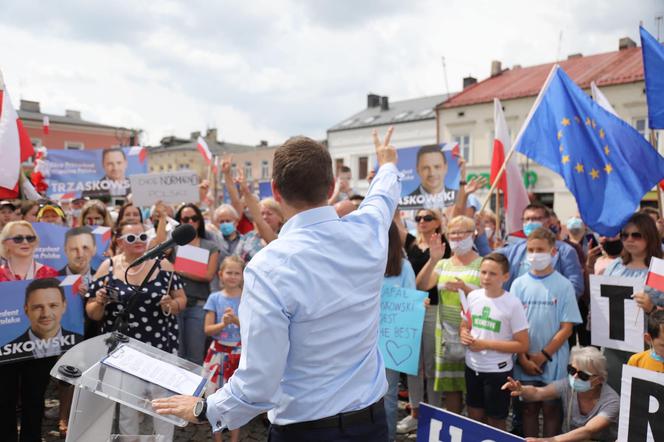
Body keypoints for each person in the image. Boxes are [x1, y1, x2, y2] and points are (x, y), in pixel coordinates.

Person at [152, 128, 399, 441]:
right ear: (332, 184)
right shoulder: (367, 233)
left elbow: (260, 380)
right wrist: (387, 163)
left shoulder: (268, 267)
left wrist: (205, 409)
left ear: (275, 190)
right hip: (371, 425)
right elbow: (382, 198)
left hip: (307, 431)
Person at [86, 221, 186, 441]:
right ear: (119, 241)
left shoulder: (163, 265)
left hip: (160, 347)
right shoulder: (108, 267)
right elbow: (92, 313)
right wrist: (100, 302)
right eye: (131, 238)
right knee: (127, 407)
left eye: (142, 236)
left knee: (164, 406)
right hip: (123, 351)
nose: (139, 241)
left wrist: (171, 304)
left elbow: (181, 300)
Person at [511, 227, 582, 438]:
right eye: (530, 249)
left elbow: (567, 329)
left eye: (540, 249)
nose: (534, 254)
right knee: (528, 408)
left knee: (552, 409)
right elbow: (513, 326)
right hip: (523, 360)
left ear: (553, 252)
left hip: (554, 361)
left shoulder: (564, 285)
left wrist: (542, 356)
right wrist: (523, 358)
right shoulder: (518, 284)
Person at [0, 278, 82, 442]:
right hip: (6, 358)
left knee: (35, 399)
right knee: (4, 400)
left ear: (64, 306)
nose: (45, 313)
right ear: (26, 309)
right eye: (37, 307)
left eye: (53, 305)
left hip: (45, 356)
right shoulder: (5, 345)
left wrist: (81, 292)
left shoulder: (47, 273)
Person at [415, 216, 482, 418]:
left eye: (462, 232)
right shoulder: (443, 264)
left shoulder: (483, 263)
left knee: (474, 389)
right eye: (453, 232)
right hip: (446, 334)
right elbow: (421, 285)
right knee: (451, 387)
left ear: (473, 234)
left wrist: (465, 288)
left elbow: (490, 295)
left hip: (474, 332)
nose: (457, 237)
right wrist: (433, 258)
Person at [394, 208, 450, 434]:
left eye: (428, 218)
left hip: (433, 308)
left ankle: (433, 414)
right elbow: (396, 222)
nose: (422, 221)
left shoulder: (445, 245)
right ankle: (415, 412)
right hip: (410, 308)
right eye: (418, 218)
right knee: (412, 365)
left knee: (431, 364)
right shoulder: (410, 243)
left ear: (438, 222)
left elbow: (428, 282)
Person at [460, 253, 529, 431]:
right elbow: (465, 324)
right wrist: (463, 333)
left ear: (505, 277)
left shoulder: (513, 304)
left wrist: (485, 344)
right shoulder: (473, 296)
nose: (486, 277)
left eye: (492, 274)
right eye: (483, 272)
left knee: (496, 421)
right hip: (472, 366)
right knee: (474, 415)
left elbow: (522, 344)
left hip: (498, 371)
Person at [502, 346, 620, 442]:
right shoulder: (566, 385)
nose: (574, 377)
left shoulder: (611, 401)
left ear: (599, 379)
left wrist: (548, 440)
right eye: (572, 370)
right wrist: (522, 389)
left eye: (583, 375)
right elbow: (539, 392)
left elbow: (588, 431)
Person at [604, 213, 663, 392]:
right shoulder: (614, 267)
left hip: (648, 347)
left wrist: (652, 308)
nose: (629, 239)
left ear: (649, 236)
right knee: (615, 395)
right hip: (614, 345)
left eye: (636, 235)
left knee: (643, 401)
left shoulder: (659, 269)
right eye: (625, 235)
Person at [496, 203, 584, 297]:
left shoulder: (565, 251)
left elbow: (576, 286)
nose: (530, 223)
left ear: (548, 222)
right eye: (527, 219)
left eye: (535, 219)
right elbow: (486, 260)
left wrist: (552, 303)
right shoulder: (512, 250)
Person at [203, 256, 245, 442]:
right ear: (220, 274)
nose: (233, 276)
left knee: (237, 397)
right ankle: (217, 437)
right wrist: (223, 324)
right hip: (218, 353)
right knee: (215, 397)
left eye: (237, 273)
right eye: (229, 272)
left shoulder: (247, 297)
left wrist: (235, 320)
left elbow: (253, 328)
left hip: (239, 353)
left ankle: (234, 438)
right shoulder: (215, 298)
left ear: (243, 276)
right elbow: (207, 329)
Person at [382, 221, 417, 442]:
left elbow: (410, 301)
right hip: (359, 342)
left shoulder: (404, 267)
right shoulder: (358, 264)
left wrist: (416, 306)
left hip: (390, 342)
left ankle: (386, 437)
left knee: (387, 395)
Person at [173, 203, 220, 365]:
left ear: (200, 221)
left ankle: (193, 391)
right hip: (175, 304)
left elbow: (208, 275)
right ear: (179, 221)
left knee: (194, 357)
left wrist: (179, 270)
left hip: (198, 306)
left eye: (194, 218)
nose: (190, 221)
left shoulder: (210, 246)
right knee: (176, 355)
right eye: (186, 219)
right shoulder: (173, 244)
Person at [407, 144, 457, 209]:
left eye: (437, 167)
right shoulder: (406, 202)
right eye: (426, 168)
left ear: (445, 168)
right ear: (417, 169)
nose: (432, 173)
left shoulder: (458, 198)